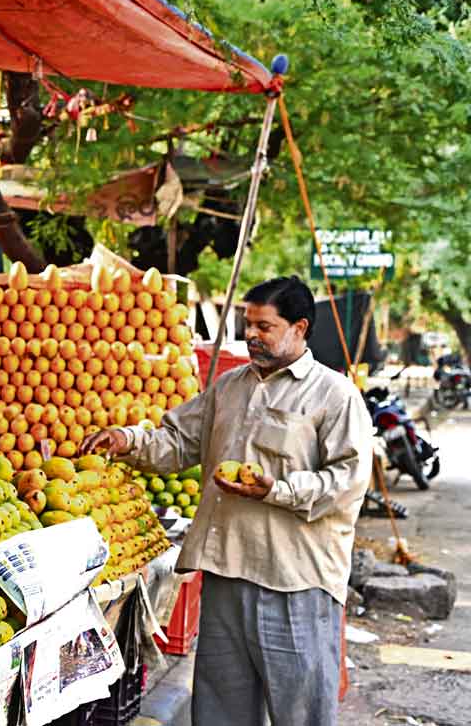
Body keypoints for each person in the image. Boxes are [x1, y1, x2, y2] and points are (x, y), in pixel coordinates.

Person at [81, 275, 371, 726]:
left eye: (264, 326)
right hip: (226, 572)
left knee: (301, 712)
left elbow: (347, 481)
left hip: (294, 582)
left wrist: (276, 490)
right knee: (221, 711)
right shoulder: (230, 386)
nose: (251, 334)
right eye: (247, 324)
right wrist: (128, 440)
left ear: (300, 328)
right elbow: (178, 441)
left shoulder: (334, 395)